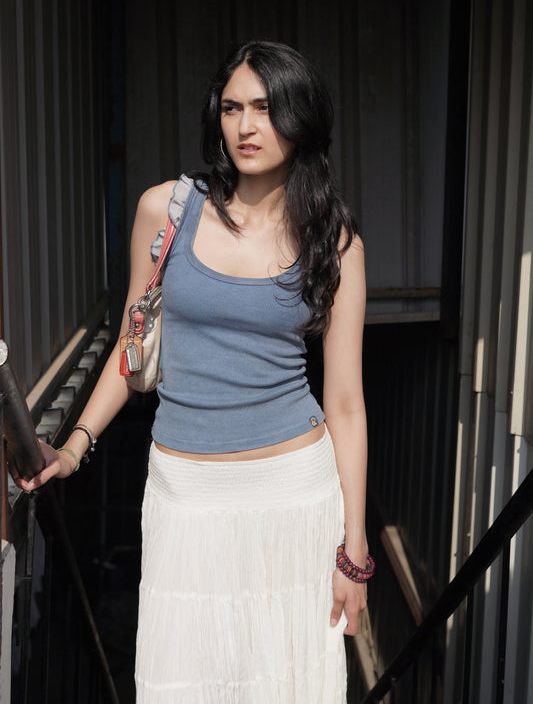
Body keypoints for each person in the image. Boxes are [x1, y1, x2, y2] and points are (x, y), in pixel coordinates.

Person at [12, 40, 370, 703]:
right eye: (232, 107)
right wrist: (72, 446)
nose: (245, 126)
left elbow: (345, 402)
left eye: (264, 108)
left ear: (299, 116)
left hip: (292, 493)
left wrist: (352, 551)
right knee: (184, 681)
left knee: (285, 685)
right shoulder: (166, 211)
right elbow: (132, 342)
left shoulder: (334, 239)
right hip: (185, 493)